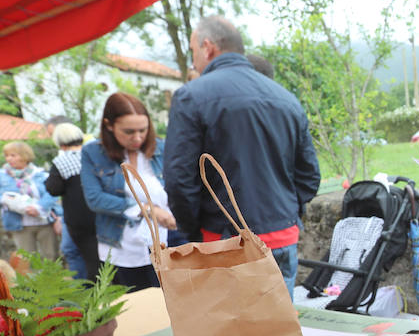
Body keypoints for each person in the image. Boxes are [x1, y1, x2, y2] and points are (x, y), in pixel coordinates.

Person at [164, 15, 320, 297]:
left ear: (208, 47)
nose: (194, 61)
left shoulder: (191, 96)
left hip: (223, 240)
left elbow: (179, 179)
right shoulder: (286, 98)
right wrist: (286, 212)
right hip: (281, 234)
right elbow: (309, 176)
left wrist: (194, 235)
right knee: (278, 329)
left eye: (193, 51)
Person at [81, 93, 175, 292]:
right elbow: (95, 199)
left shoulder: (161, 148)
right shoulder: (93, 153)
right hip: (122, 246)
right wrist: (145, 209)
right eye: (129, 131)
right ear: (109, 125)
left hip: (165, 242)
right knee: (139, 308)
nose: (138, 138)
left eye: (143, 129)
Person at [0, 141, 58, 261]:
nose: (9, 159)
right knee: (27, 259)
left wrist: (39, 208)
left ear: (25, 156)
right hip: (19, 224)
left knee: (50, 257)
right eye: (7, 155)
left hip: (44, 222)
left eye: (13, 155)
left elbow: (52, 193)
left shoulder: (40, 174)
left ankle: (53, 280)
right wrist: (7, 201)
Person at [43, 122, 98, 281]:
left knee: (88, 256)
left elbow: (53, 189)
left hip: (79, 218)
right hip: (101, 212)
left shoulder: (61, 161)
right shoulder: (94, 154)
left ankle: (87, 290)